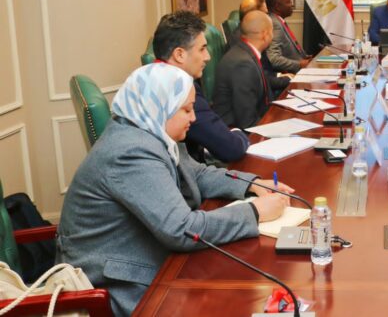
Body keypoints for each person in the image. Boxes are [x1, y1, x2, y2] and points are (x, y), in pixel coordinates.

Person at [56, 63, 293, 317]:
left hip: (148, 252)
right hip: (116, 283)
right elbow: (181, 230)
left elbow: (197, 173)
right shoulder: (131, 151)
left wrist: (252, 184)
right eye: (186, 109)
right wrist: (254, 213)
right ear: (161, 106)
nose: (194, 118)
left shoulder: (152, 127)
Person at [153, 11, 249, 163]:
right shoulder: (180, 89)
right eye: (202, 49)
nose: (208, 57)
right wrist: (238, 132)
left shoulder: (152, 78)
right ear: (179, 54)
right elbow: (231, 148)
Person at [213, 10, 279, 129]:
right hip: (237, 133)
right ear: (265, 34)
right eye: (272, 31)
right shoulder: (243, 64)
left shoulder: (245, 52)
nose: (273, 36)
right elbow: (247, 122)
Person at [266, 0, 311, 73]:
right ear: (277, 7)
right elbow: (273, 58)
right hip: (291, 74)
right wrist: (299, 64)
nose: (292, 4)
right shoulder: (274, 24)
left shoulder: (278, 20)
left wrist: (305, 57)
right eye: (289, 1)